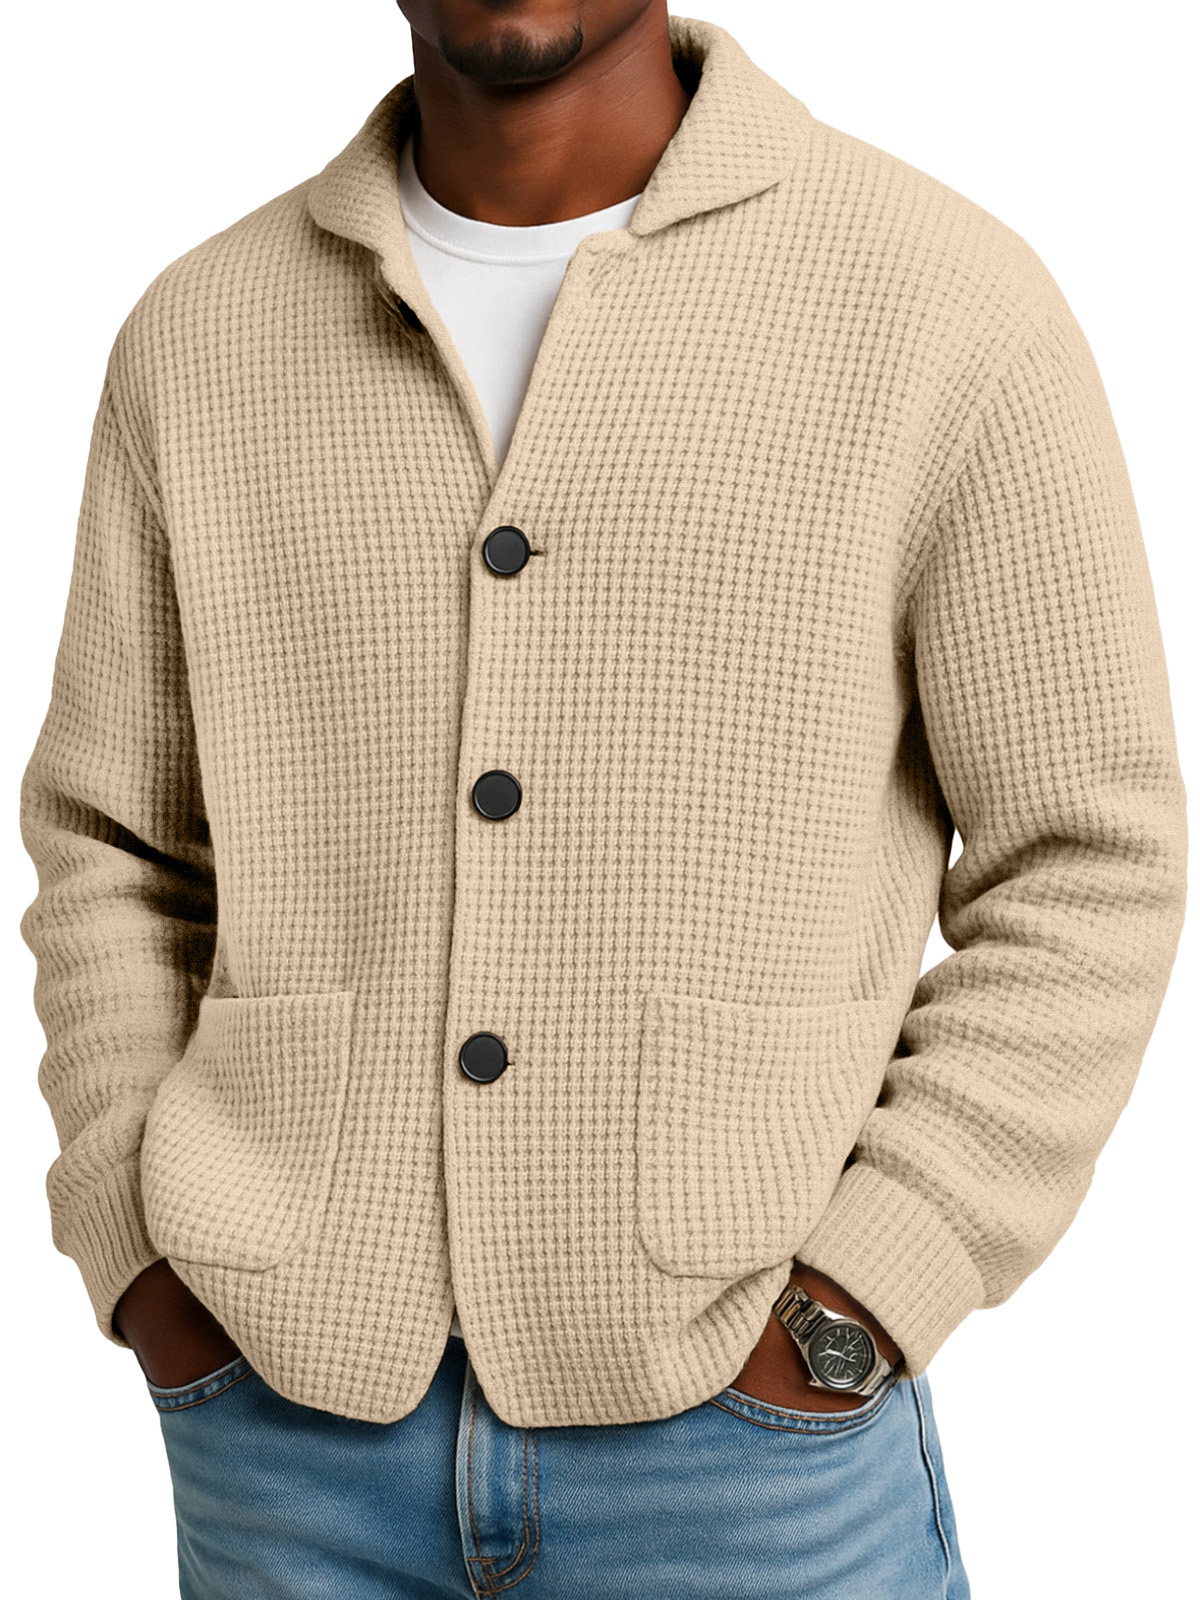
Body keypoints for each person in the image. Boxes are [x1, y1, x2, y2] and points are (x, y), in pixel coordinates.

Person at [19, 4, 1187, 1596]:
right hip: (286, 1444)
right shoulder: (202, 332)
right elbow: (112, 840)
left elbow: (1087, 857)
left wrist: (870, 1291)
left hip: (749, 1454)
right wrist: (140, 1256)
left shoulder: (941, 300)